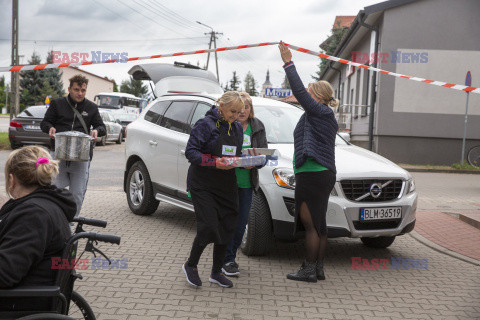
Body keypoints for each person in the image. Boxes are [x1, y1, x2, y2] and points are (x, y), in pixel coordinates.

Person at [279, 42, 339, 282]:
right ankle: (318, 268)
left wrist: (288, 62)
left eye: (310, 91)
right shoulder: (320, 115)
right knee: (319, 224)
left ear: (318, 97)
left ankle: (308, 269)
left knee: (311, 225)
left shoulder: (320, 112)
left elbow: (300, 93)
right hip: (319, 174)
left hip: (312, 173)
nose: (306, 93)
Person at [0, 146, 76, 310]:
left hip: (20, 301)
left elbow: (5, 273)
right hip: (32, 292)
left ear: (12, 180)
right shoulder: (47, 204)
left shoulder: (33, 214)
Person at [182, 91, 244, 288]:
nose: (235, 115)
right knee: (209, 226)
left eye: (239, 112)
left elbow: (235, 154)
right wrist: (214, 162)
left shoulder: (237, 128)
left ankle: (216, 272)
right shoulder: (205, 124)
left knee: (228, 225)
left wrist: (247, 161)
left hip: (226, 184)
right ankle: (190, 265)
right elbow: (191, 152)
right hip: (202, 183)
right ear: (221, 106)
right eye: (232, 111)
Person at [41, 74, 106, 218]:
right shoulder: (57, 104)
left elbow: (102, 127)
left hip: (82, 157)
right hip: (58, 156)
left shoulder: (92, 107)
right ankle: (56, 220)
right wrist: (50, 128)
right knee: (55, 191)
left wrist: (96, 131)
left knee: (77, 193)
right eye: (76, 89)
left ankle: (70, 223)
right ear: (69, 89)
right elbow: (45, 123)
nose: (80, 93)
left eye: (83, 90)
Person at [222, 92, 268, 277]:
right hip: (226, 181)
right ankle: (224, 258)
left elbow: (264, 155)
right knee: (227, 221)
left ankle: (230, 259)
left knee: (241, 223)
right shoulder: (227, 125)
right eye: (239, 108)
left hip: (247, 183)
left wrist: (256, 161)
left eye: (246, 107)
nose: (242, 111)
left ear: (251, 109)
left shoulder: (257, 126)